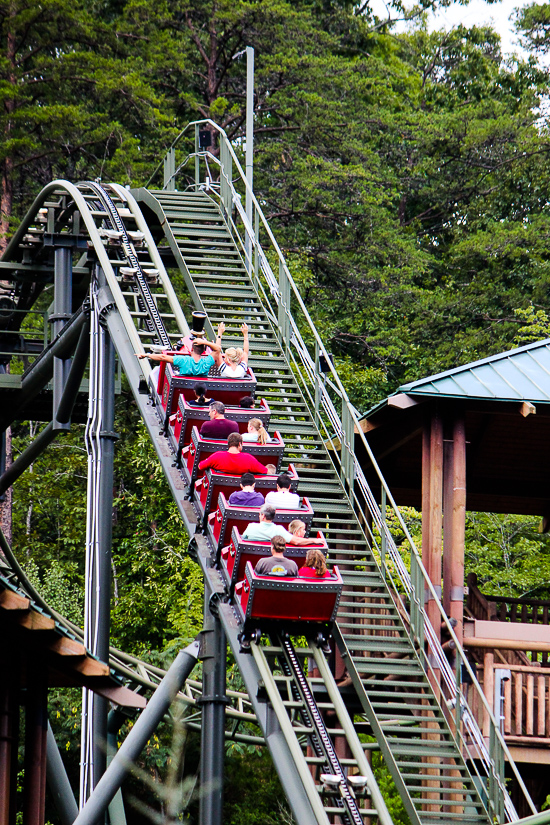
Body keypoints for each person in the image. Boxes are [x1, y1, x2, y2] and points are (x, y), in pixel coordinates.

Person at [137, 322, 224, 377]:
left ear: (191, 350)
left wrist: (147, 355)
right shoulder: (206, 362)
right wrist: (207, 340)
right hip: (199, 390)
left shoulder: (184, 360)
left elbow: (163, 357)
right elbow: (217, 349)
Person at [242, 504, 325, 546]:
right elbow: (296, 541)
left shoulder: (251, 526)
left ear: (263, 515)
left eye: (260, 514)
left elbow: (242, 540)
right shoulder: (279, 530)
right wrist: (313, 540)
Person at [198, 432, 268, 474]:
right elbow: (266, 472)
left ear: (228, 443)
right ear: (240, 444)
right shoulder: (249, 459)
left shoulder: (217, 456)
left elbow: (200, 466)